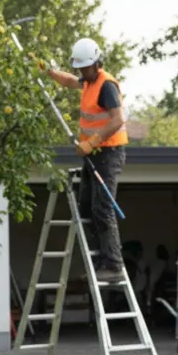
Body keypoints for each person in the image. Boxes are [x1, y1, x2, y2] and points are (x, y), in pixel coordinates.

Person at [46, 38, 128, 283]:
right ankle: (101, 259)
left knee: (103, 207)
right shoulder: (88, 81)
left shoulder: (106, 86)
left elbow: (117, 119)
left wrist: (92, 141)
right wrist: (49, 72)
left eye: (85, 68)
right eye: (79, 68)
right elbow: (71, 82)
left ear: (96, 63)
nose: (81, 72)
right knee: (86, 206)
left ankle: (113, 265)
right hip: (94, 153)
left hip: (109, 154)